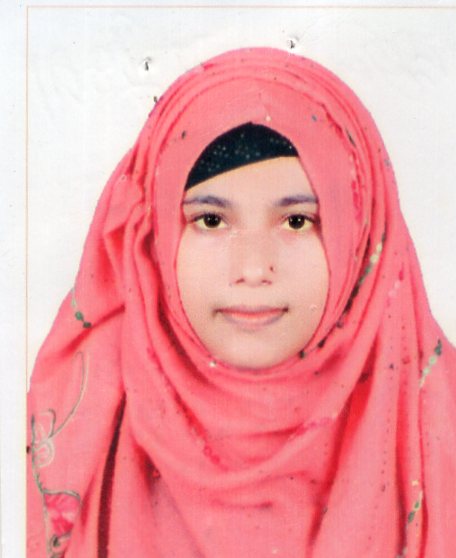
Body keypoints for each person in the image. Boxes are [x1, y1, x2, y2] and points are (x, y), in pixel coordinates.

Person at [27, 47, 456, 557]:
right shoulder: (79, 424)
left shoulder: (438, 422)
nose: (253, 268)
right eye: (211, 221)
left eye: (297, 221)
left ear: (359, 235)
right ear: (154, 238)